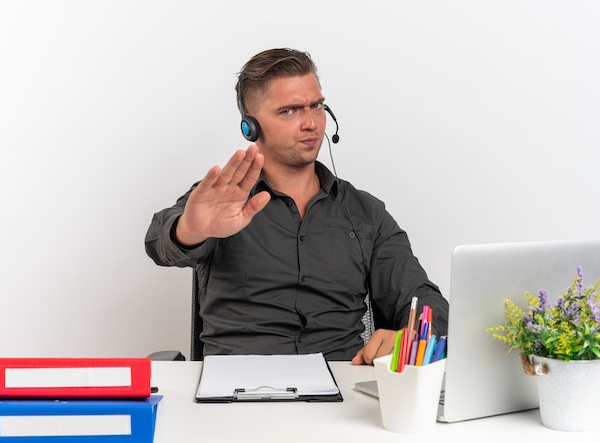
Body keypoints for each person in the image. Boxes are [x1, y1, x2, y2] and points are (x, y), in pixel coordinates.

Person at [145, 48, 448, 364]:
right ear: (250, 126)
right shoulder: (223, 200)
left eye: (316, 106)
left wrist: (413, 335)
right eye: (289, 111)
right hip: (238, 388)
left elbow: (423, 300)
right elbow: (160, 240)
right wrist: (189, 231)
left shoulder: (365, 213)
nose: (311, 124)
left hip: (342, 385)